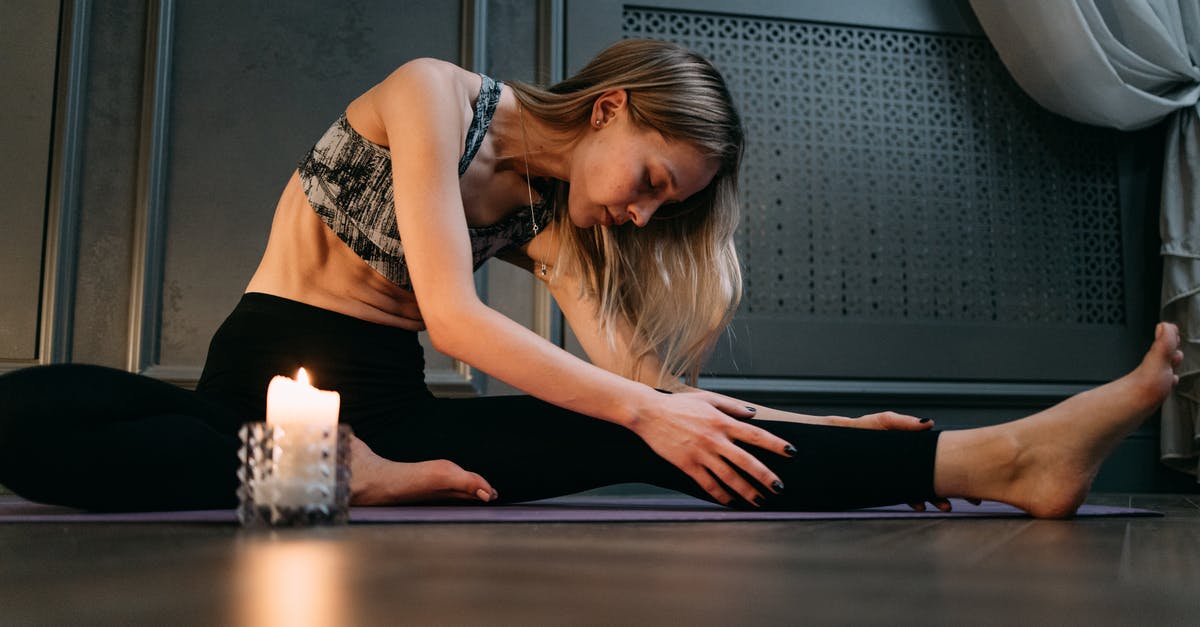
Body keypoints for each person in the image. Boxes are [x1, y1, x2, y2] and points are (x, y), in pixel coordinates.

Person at [0, 40, 1183, 518]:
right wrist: (646, 411)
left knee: (652, 431)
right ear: (611, 106)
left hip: (396, 417)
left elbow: (636, 390)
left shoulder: (547, 219)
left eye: (668, 203)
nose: (644, 208)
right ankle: (338, 478)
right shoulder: (434, 99)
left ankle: (994, 460)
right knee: (24, 416)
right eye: (658, 178)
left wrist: (812, 427)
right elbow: (460, 314)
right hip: (265, 378)